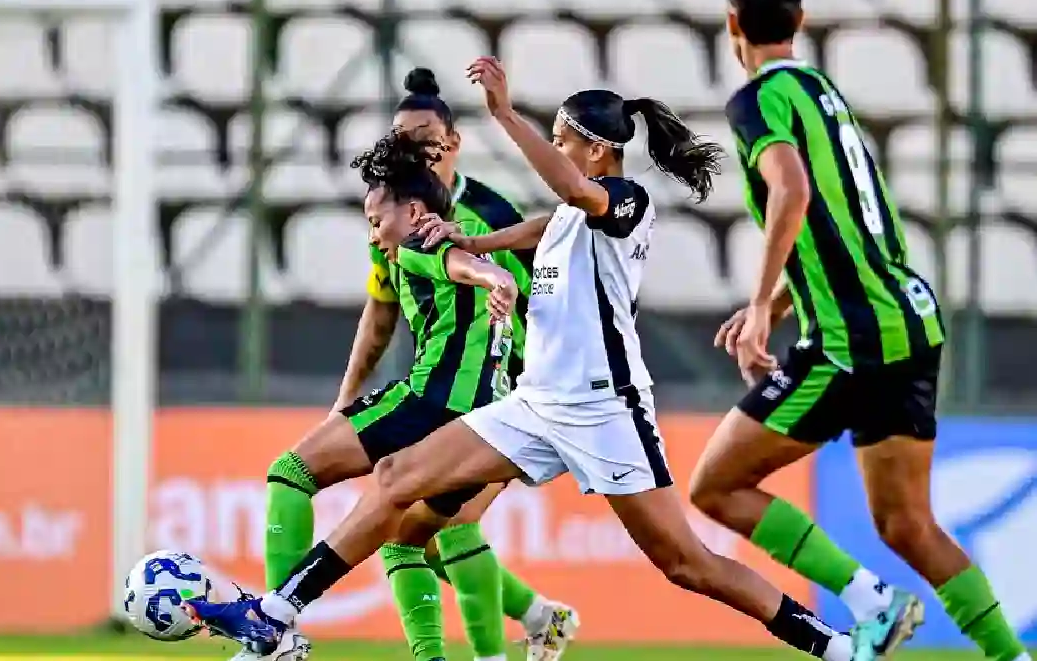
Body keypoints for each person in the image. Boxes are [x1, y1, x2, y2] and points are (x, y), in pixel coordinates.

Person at [187, 56, 872, 661]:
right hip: (535, 403)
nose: (555, 149)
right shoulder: (576, 211)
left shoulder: (627, 201)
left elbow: (575, 198)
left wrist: (505, 115)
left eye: (563, 139)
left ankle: (834, 645)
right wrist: (473, 243)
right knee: (396, 477)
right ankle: (274, 618)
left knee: (687, 562)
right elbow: (550, 221)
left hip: (604, 407)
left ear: (598, 150)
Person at [686, 0, 1033, 661]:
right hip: (910, 320)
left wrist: (761, 307)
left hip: (852, 340)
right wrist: (779, 298)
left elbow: (791, 189)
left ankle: (874, 600)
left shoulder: (757, 101)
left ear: (732, 26)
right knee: (906, 521)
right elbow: (838, 226)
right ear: (801, 19)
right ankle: (1010, 655)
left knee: (717, 485)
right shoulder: (824, 94)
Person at [253, 110, 565, 661]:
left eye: (376, 221)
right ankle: (525, 625)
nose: (375, 236)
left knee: (292, 470)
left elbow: (459, 266)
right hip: (496, 418)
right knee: (408, 536)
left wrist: (495, 280)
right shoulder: (449, 230)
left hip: (438, 401)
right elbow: (473, 264)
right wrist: (496, 280)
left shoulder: (427, 236)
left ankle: (276, 630)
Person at [326, 67, 577, 661]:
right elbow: (381, 313)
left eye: (424, 138)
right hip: (445, 391)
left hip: (512, 389)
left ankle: (496, 648)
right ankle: (543, 618)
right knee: (421, 533)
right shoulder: (392, 221)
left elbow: (541, 288)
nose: (412, 149)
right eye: (401, 138)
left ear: (452, 143)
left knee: (447, 525)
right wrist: (346, 398)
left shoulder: (489, 212)